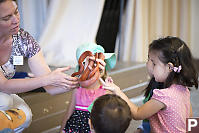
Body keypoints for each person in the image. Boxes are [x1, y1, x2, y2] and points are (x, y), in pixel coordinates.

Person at [0, 0, 82, 132]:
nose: (15, 20)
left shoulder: (23, 39)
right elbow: (3, 85)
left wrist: (80, 80)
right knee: (4, 101)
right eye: (6, 17)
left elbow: (50, 88)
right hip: (3, 94)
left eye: (16, 12)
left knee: (25, 115)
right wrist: (48, 79)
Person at [104, 36, 198, 132]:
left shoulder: (164, 96)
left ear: (170, 67)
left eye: (153, 62)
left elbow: (137, 113)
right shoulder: (184, 90)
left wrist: (117, 91)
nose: (148, 64)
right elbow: (189, 119)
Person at [60, 43, 116, 133]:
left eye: (97, 63)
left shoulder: (106, 90)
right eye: (90, 63)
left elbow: (111, 119)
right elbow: (68, 114)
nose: (94, 67)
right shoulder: (77, 90)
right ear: (82, 69)